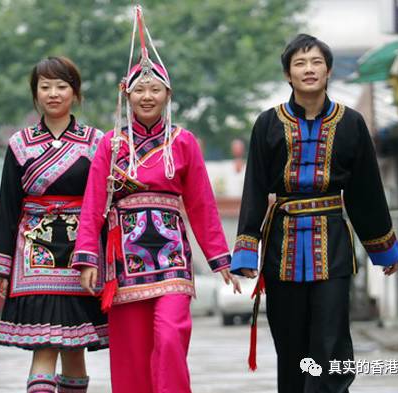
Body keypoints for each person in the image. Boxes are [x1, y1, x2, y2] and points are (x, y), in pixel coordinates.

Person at [71, 6, 240, 393]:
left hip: (172, 261)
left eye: (155, 89)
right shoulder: (110, 146)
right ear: (126, 95)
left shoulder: (183, 142)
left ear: (168, 94)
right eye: (139, 89)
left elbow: (201, 204)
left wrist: (219, 258)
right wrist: (87, 258)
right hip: (124, 263)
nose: (147, 96)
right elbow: (94, 204)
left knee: (168, 339)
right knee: (130, 353)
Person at [230, 33, 398, 393]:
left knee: (331, 339)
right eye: (300, 63)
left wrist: (382, 248)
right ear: (288, 75)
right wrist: (247, 249)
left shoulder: (352, 123)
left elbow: (366, 191)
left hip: (333, 248)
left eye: (316, 62)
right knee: (291, 344)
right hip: (282, 248)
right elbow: (255, 188)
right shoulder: (267, 124)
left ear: (328, 71)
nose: (309, 70)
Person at [0, 56, 107, 393]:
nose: (53, 93)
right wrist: (1, 266)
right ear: (35, 93)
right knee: (44, 343)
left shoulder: (97, 142)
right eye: (45, 87)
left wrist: (103, 260)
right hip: (33, 256)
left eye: (61, 86)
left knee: (75, 348)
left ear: (76, 93)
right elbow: (8, 207)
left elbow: (101, 205)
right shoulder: (20, 143)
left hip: (80, 256)